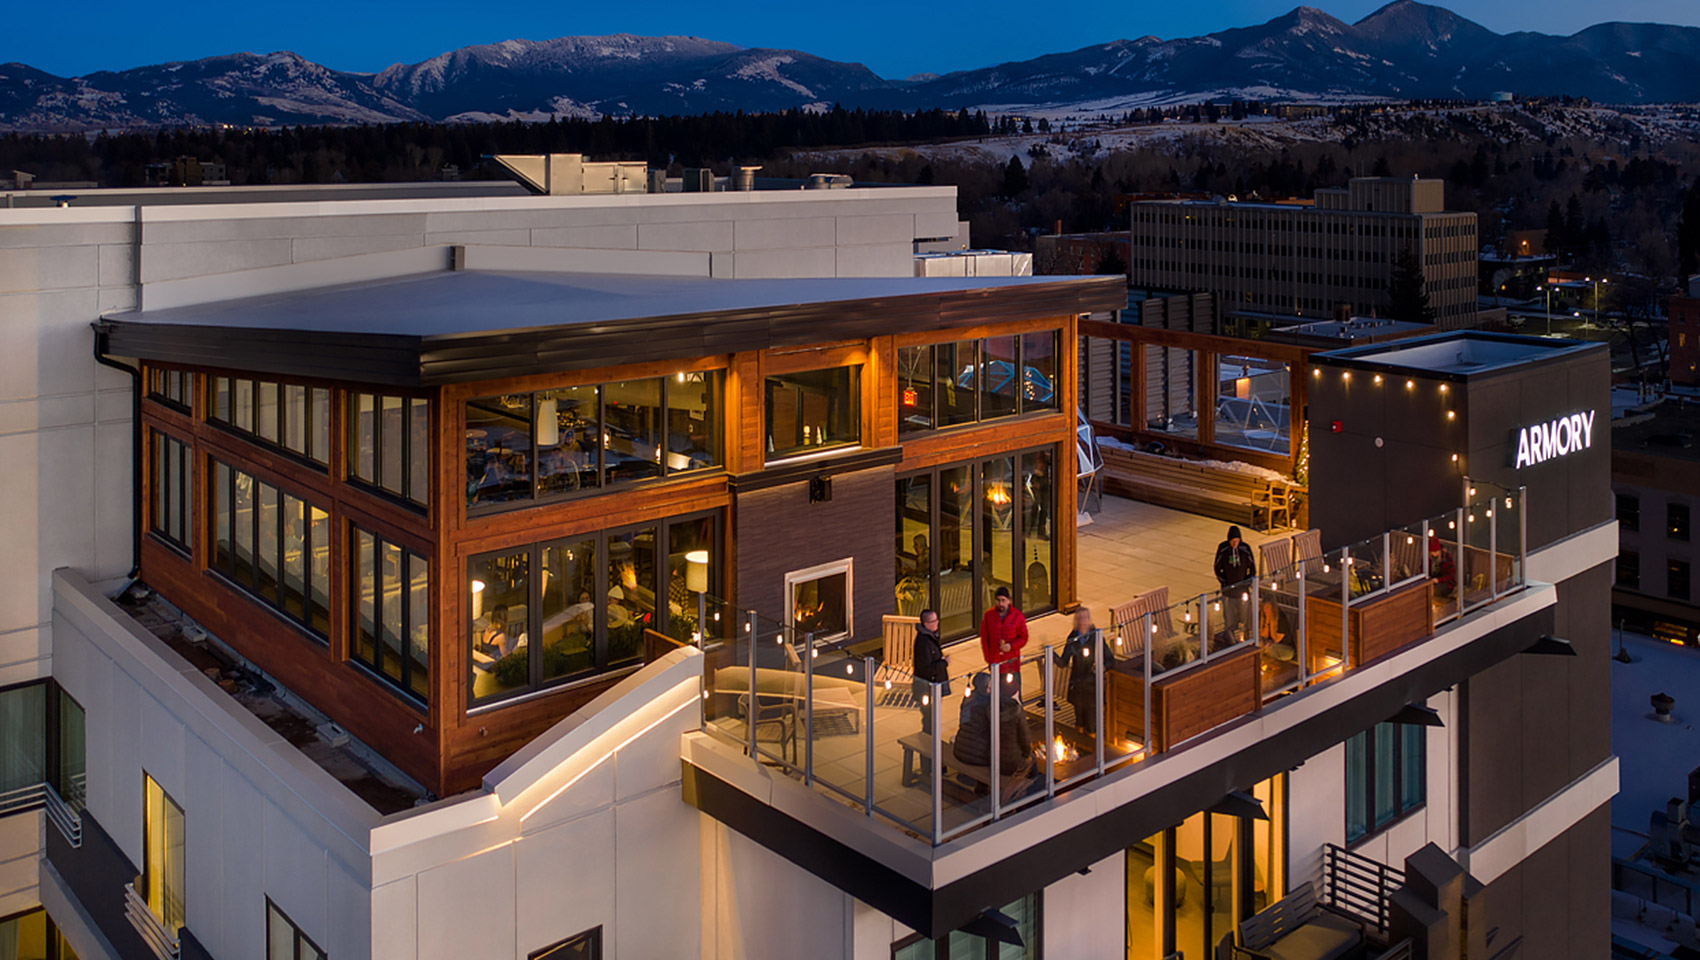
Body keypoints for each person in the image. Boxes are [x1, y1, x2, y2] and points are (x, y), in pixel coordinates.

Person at [952, 672, 1034, 776]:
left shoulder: (969, 699)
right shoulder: (989, 705)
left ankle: (980, 786)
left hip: (959, 749)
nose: (992, 690)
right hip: (977, 755)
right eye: (989, 688)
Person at [1053, 607, 1110, 735]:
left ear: (1089, 620)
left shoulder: (1096, 637)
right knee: (1079, 722)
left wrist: (1102, 667)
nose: (1082, 621)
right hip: (1078, 687)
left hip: (1092, 688)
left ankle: (1094, 749)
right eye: (1079, 618)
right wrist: (1051, 654)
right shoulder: (1073, 638)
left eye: (1085, 618)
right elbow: (1063, 662)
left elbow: (1110, 659)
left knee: (1091, 724)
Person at [979, 586, 1028, 695]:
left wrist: (1011, 646)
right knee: (996, 696)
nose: (1001, 604)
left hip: (1012, 665)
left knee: (1014, 695)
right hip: (996, 663)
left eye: (1003, 600)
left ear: (1009, 601)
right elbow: (984, 639)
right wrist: (988, 658)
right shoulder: (989, 616)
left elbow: (1024, 637)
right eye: (998, 600)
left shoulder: (1017, 616)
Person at [911, 609, 950, 733]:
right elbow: (926, 669)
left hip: (932, 686)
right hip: (928, 688)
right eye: (934, 621)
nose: (937, 623)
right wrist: (944, 663)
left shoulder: (929, 637)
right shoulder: (924, 642)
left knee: (932, 717)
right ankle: (929, 745)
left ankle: (931, 743)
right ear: (926, 624)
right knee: (929, 719)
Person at [1214, 525, 1257, 639]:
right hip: (1228, 591)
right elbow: (1217, 567)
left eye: (1237, 541)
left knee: (1245, 617)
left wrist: (1246, 583)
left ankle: (1246, 637)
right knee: (1229, 618)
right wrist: (1224, 583)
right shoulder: (1223, 549)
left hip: (1242, 591)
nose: (1234, 544)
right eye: (1233, 541)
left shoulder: (1245, 549)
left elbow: (1252, 568)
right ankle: (1230, 639)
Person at [1428, 532, 1457, 598]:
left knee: (1434, 591)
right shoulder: (1428, 559)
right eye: (1433, 551)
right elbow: (1423, 570)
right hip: (1432, 581)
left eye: (1436, 551)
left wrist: (1439, 580)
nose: (1435, 553)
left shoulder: (1445, 558)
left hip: (1446, 582)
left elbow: (1450, 575)